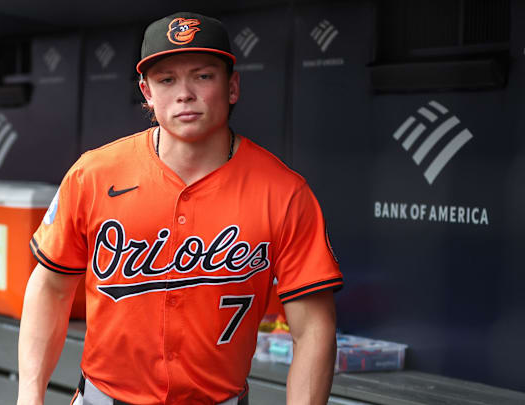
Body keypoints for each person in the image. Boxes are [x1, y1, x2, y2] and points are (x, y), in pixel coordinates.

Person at [18, 11, 343, 405]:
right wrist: (29, 398)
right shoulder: (94, 173)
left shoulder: (284, 193)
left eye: (203, 76)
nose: (184, 93)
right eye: (167, 79)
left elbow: (314, 329)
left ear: (232, 86)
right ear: (147, 92)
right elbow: (50, 288)